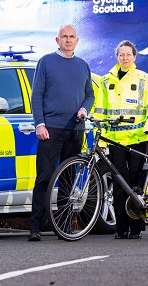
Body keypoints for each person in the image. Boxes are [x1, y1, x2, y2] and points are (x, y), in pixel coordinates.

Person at [28, 24, 94, 241]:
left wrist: (85, 108)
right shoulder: (46, 62)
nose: (68, 40)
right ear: (57, 40)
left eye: (71, 37)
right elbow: (36, 95)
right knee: (45, 177)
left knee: (69, 179)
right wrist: (39, 123)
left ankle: (64, 226)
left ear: (77, 40)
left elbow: (90, 95)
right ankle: (35, 227)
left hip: (75, 129)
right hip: (51, 129)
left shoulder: (83, 65)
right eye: (64, 37)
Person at [94, 40, 148, 239]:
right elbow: (100, 112)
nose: (125, 58)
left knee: (135, 183)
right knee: (118, 184)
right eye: (121, 54)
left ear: (134, 57)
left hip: (138, 138)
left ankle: (136, 228)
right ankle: (121, 228)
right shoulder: (106, 82)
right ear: (117, 57)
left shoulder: (145, 79)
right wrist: (102, 140)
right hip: (115, 141)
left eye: (128, 54)